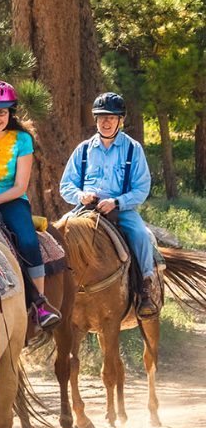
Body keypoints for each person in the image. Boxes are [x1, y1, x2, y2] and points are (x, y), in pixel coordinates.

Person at [0, 80, 60, 330]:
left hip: (11, 201)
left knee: (27, 240)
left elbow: (20, 187)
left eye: (2, 112)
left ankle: (40, 305)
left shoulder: (22, 139)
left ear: (10, 113)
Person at [60, 92, 156, 317]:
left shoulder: (133, 149)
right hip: (84, 210)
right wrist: (80, 196)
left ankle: (145, 289)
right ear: (95, 120)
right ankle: (53, 293)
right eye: (101, 117)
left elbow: (141, 188)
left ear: (121, 121)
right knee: (57, 233)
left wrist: (117, 201)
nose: (106, 122)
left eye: (111, 118)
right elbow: (66, 186)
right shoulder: (83, 149)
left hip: (120, 210)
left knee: (141, 234)